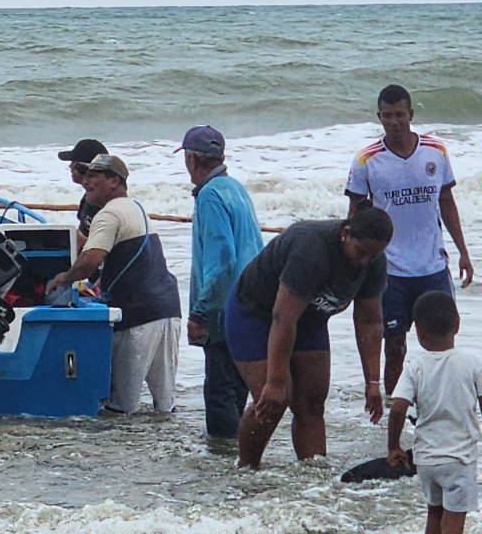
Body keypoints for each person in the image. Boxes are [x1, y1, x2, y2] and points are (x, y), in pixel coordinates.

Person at [227, 203, 392, 468]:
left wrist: (372, 381)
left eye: (372, 256)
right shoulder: (311, 249)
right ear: (345, 233)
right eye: (360, 252)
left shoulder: (373, 261)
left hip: (310, 321)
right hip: (256, 314)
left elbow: (370, 322)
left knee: (312, 402)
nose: (364, 262)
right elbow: (283, 317)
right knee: (274, 400)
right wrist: (276, 379)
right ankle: (246, 469)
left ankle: (313, 476)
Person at [346, 84, 473, 397]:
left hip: (432, 265)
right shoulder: (366, 160)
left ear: (411, 115)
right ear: (379, 118)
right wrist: (350, 264)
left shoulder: (436, 151)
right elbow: (355, 217)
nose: (394, 122)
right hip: (389, 271)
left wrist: (464, 253)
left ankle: (444, 402)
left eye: (400, 115)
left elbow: (446, 201)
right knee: (395, 347)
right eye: (387, 116)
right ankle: (395, 410)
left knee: (443, 345)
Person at [47, 154, 182, 414]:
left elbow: (91, 258)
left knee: (122, 407)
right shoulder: (136, 208)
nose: (86, 181)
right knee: (165, 405)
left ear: (114, 181)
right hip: (168, 310)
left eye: (94, 175)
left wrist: (63, 279)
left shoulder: (109, 215)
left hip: (138, 316)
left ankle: (123, 453)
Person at [176, 125, 264, 439]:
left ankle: (226, 462)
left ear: (191, 160)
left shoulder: (210, 197)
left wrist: (200, 312)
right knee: (238, 389)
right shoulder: (235, 188)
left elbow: (223, 260)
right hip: (251, 304)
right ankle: (241, 454)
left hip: (224, 310)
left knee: (220, 394)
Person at [388, 291, 482, 534]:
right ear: (457, 324)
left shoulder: (415, 366)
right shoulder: (471, 362)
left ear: (418, 331)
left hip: (427, 460)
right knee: (454, 521)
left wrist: (394, 446)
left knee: (434, 514)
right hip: (459, 459)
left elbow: (398, 408)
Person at [56, 138, 109, 246]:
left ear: (83, 169)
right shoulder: (89, 196)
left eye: (73, 163)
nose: (70, 166)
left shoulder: (102, 202)